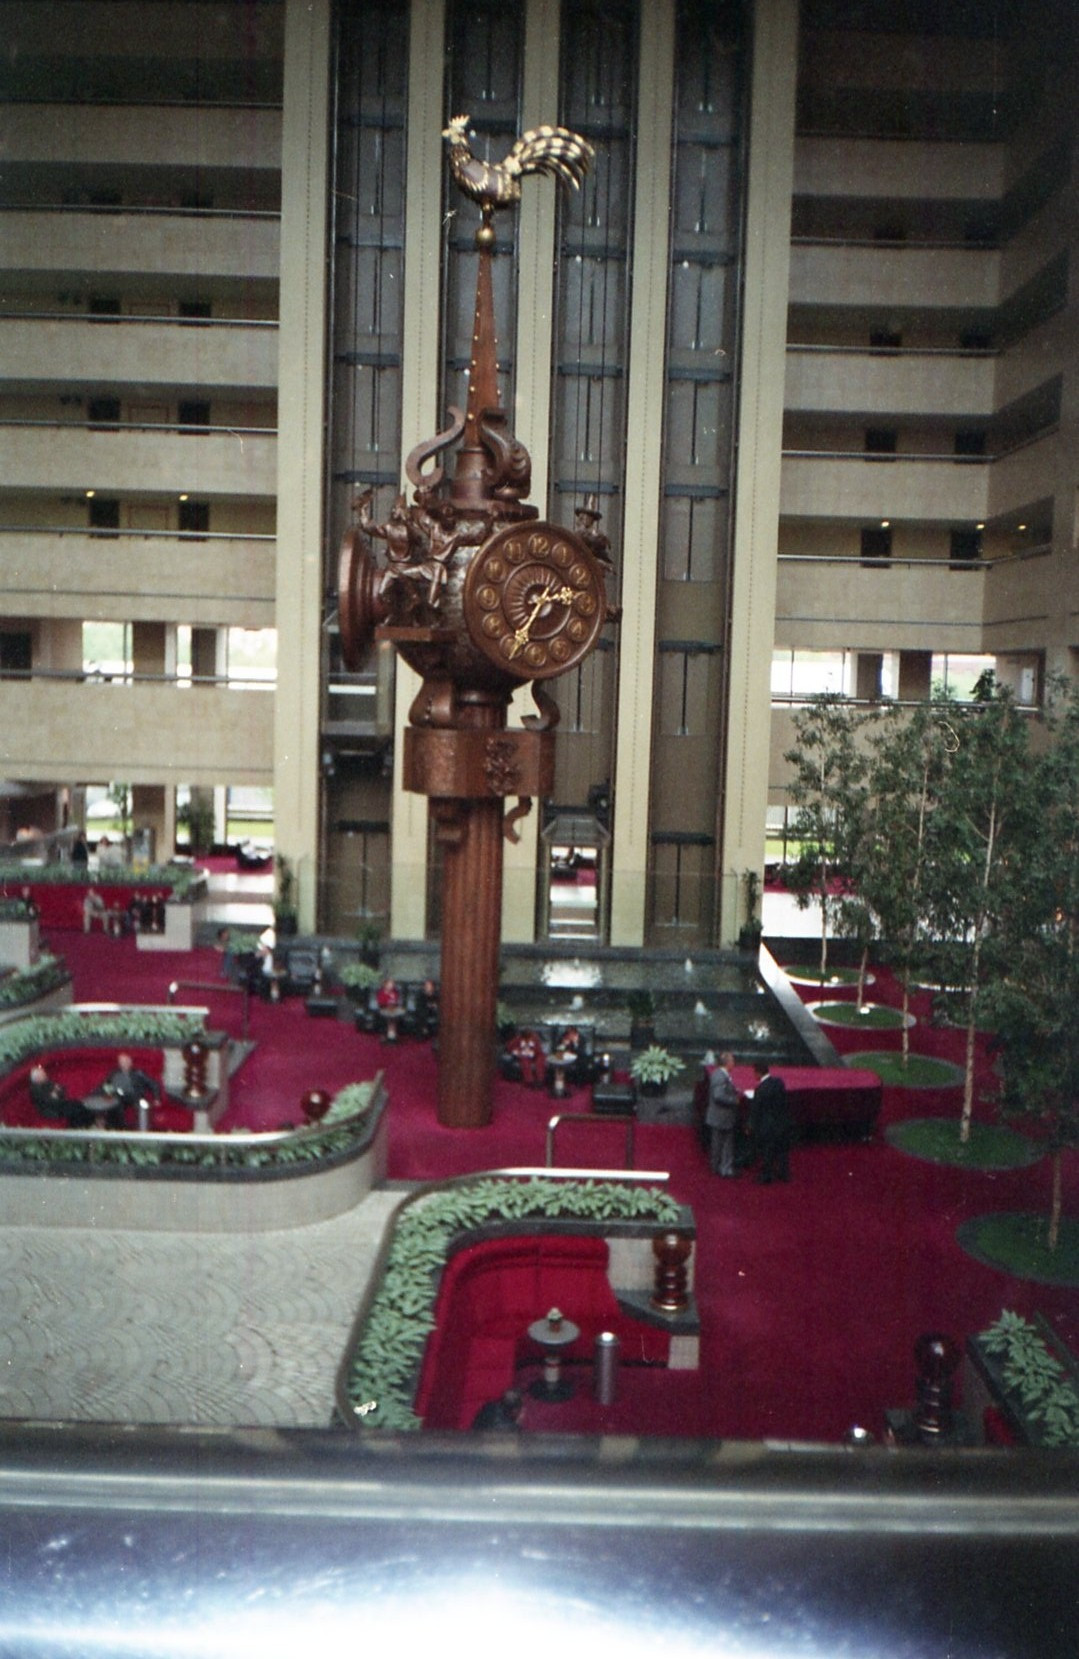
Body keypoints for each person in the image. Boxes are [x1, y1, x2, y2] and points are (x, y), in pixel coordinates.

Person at [748, 1058, 793, 1184]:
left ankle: (766, 1175)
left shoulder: (760, 1090)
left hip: (767, 1126)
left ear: (758, 1072)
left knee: (767, 1151)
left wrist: (750, 1125)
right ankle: (784, 1173)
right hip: (781, 1123)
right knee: (782, 1150)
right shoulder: (779, 1082)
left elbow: (756, 1110)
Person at [706, 1050, 740, 1177]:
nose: (734, 1063)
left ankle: (721, 1167)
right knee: (722, 1143)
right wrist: (734, 1100)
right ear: (727, 1063)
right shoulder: (720, 1076)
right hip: (721, 1116)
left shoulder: (719, 1075)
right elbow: (718, 1096)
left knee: (721, 1143)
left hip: (720, 1117)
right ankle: (723, 1168)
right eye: (732, 1061)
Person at [28, 1064, 95, 1129]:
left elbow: (62, 1091)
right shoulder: (35, 1090)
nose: (45, 1075)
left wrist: (57, 1093)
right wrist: (54, 1095)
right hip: (51, 1109)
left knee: (78, 1104)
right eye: (43, 1075)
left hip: (59, 1103)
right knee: (75, 1110)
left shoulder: (48, 1083)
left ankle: (88, 1123)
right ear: (37, 1078)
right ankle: (76, 1127)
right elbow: (47, 1102)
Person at [102, 1053, 158, 1126]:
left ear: (130, 1062)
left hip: (135, 1096)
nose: (123, 1064)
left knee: (141, 1107)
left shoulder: (138, 1073)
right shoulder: (114, 1073)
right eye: (121, 1062)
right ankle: (118, 1126)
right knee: (115, 1105)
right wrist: (109, 1094)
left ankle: (141, 1125)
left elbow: (153, 1084)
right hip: (120, 1096)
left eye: (125, 1061)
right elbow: (107, 1084)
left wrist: (156, 1097)